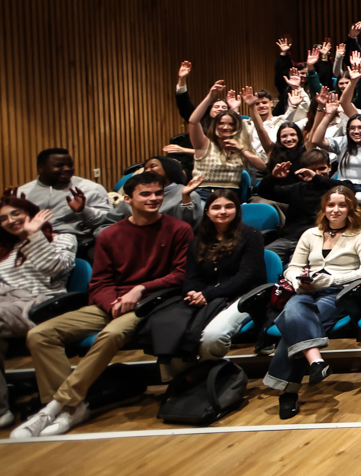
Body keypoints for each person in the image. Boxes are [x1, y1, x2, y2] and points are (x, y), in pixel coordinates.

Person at [13, 173, 192, 438]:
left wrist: (140, 289)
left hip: (152, 302)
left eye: (158, 193)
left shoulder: (179, 229)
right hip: (113, 303)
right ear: (128, 199)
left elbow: (180, 274)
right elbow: (99, 282)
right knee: (40, 334)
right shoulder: (109, 235)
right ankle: (74, 408)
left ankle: (55, 406)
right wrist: (111, 305)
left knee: (111, 334)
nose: (153, 198)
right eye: (145, 193)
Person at [265, 186, 361, 419]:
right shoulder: (310, 234)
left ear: (350, 209)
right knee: (295, 307)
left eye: (342, 205)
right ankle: (316, 362)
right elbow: (294, 266)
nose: (335, 210)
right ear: (324, 208)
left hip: (339, 292)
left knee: (294, 326)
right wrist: (298, 281)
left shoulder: (360, 235)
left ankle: (288, 392)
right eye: (331, 205)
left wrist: (333, 279)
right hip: (307, 289)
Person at [140, 190, 266, 370]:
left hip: (242, 297)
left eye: (228, 207)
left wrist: (206, 294)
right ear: (207, 212)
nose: (222, 211)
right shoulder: (198, 240)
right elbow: (191, 276)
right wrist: (192, 292)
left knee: (212, 337)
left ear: (237, 210)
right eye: (216, 207)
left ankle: (206, 374)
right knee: (167, 326)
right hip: (206, 296)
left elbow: (247, 276)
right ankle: (181, 381)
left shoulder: (251, 235)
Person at [0, 191, 76, 428]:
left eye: (16, 213)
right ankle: (2, 411)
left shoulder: (62, 239)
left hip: (44, 305)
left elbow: (55, 269)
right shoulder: (4, 250)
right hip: (6, 306)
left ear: (31, 213)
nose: (11, 220)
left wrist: (34, 235)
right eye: (3, 218)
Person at [16, 149, 115, 255]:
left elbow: (108, 222)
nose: (67, 169)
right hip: (34, 245)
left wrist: (83, 211)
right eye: (59, 165)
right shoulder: (22, 193)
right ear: (41, 168)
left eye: (70, 165)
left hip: (80, 246)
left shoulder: (90, 188)